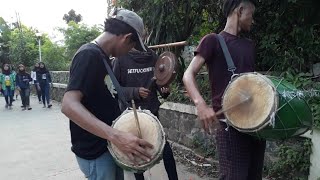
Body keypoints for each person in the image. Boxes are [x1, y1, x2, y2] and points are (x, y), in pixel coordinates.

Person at [61, 8, 154, 180]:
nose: (131, 50)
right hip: (95, 151)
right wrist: (116, 136)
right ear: (126, 38)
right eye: (133, 45)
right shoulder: (88, 55)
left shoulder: (102, 57)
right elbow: (69, 105)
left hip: (106, 146)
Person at [183, 0, 266, 179]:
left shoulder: (249, 45)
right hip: (229, 126)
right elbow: (188, 75)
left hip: (255, 123)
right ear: (240, 10)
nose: (253, 20)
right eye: (251, 14)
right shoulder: (212, 41)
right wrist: (201, 105)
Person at [113, 47, 178, 180]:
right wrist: (135, 92)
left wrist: (165, 91)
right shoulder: (120, 59)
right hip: (131, 116)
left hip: (152, 113)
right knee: (137, 155)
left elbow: (159, 83)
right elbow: (115, 89)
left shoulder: (153, 57)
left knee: (165, 150)